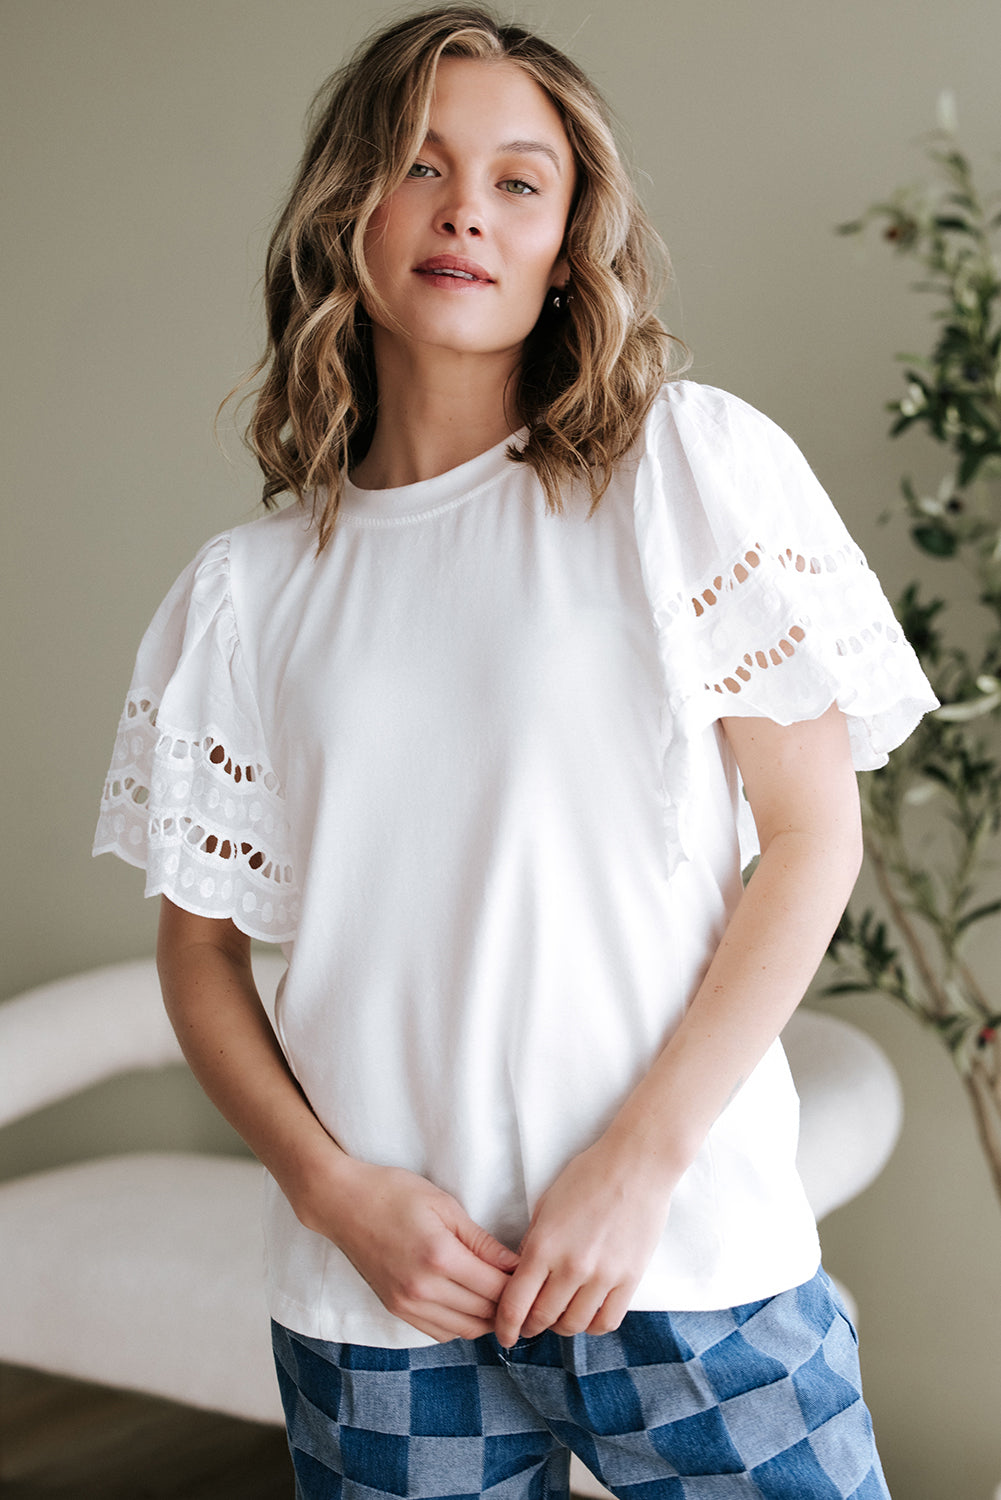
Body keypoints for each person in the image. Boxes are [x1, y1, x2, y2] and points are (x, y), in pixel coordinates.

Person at [94, 7, 936, 1496]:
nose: (465, 211)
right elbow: (200, 951)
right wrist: (332, 1192)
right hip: (383, 1307)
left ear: (566, 241)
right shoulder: (247, 593)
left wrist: (638, 1167)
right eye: (420, 166)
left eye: (518, 181)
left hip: (677, 1264)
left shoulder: (679, 471)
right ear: (346, 210)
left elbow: (814, 838)